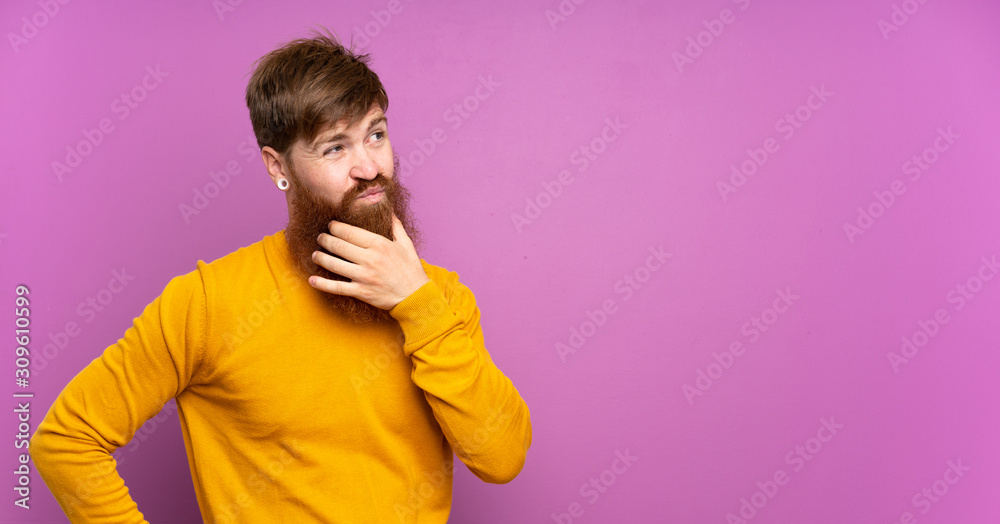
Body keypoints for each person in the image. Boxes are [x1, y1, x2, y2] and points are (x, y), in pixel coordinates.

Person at [30, 29, 532, 523]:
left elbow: (502, 460)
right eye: (335, 148)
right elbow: (66, 440)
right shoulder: (209, 301)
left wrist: (416, 304)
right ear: (278, 166)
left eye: (376, 135)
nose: (369, 167)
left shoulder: (439, 297)